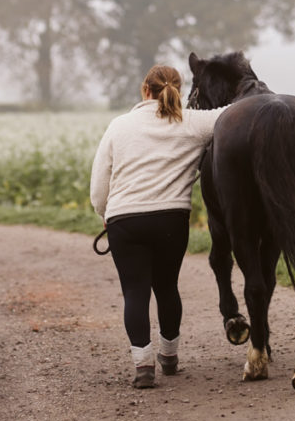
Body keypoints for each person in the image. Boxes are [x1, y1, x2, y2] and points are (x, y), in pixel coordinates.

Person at [89, 65, 227, 388]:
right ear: (178, 90)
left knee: (134, 292)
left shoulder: (119, 126)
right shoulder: (192, 123)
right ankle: (169, 356)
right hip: (170, 219)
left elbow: (99, 185)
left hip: (124, 221)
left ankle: (143, 367)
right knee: (166, 287)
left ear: (145, 90)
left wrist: (104, 213)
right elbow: (233, 114)